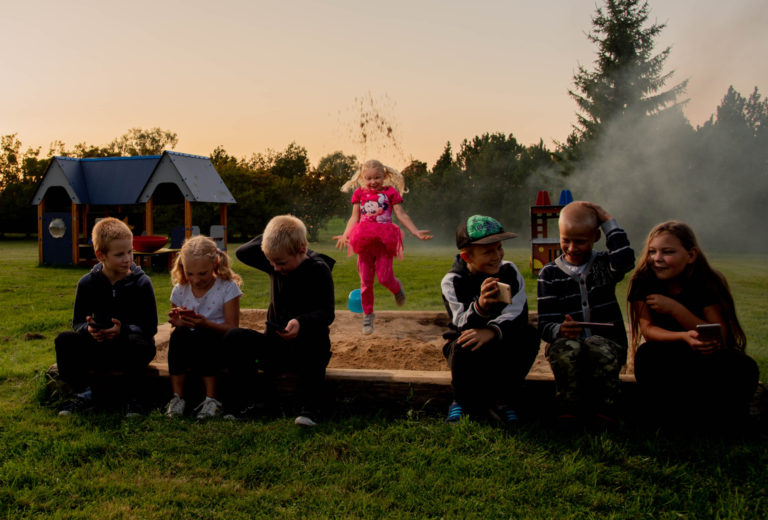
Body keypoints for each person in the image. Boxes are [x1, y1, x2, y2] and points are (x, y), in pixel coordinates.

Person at [627, 220, 758, 429]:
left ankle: (718, 419)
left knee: (743, 366)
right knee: (647, 355)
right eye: (652, 251)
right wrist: (682, 337)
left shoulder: (706, 281)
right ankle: (672, 417)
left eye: (667, 252)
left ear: (691, 255)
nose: (657, 258)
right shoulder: (643, 281)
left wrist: (675, 309)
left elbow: (720, 333)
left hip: (705, 356)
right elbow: (648, 330)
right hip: (667, 353)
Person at [224, 215, 335, 427]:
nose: (275, 268)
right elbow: (242, 252)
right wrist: (275, 234)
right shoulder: (276, 260)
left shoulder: (318, 269)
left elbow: (327, 313)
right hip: (275, 347)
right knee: (234, 337)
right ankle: (252, 401)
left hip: (306, 349)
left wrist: (301, 322)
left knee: (315, 349)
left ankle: (310, 409)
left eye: (281, 263)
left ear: (302, 250)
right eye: (271, 262)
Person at [537, 201, 634, 428]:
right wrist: (560, 329)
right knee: (566, 349)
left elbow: (625, 260)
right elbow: (544, 324)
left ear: (595, 237)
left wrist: (607, 219)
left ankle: (606, 409)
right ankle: (568, 409)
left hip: (608, 345)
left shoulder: (604, 265)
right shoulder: (549, 274)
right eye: (566, 240)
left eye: (580, 241)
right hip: (570, 346)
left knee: (597, 347)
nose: (571, 248)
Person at [440, 215, 539, 426]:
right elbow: (460, 321)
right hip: (468, 349)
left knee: (529, 334)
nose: (497, 256)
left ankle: (504, 399)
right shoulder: (453, 281)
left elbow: (517, 312)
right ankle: (462, 401)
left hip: (501, 341)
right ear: (467, 257)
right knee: (464, 341)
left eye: (499, 248)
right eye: (488, 252)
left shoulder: (509, 271)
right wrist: (481, 306)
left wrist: (492, 331)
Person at [55, 217, 157, 416]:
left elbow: (150, 327)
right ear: (100, 255)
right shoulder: (87, 283)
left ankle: (134, 398)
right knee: (64, 340)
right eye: (119, 254)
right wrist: (89, 330)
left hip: (128, 347)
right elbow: (77, 322)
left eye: (130, 252)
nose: (127, 259)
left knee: (139, 343)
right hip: (98, 347)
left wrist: (122, 330)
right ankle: (84, 393)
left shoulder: (141, 283)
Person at [335, 159, 432, 335]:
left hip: (383, 241)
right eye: (369, 178)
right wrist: (345, 234)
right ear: (362, 178)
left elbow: (401, 214)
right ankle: (368, 315)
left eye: (377, 178)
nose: (373, 182)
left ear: (384, 176)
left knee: (384, 277)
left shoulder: (390, 192)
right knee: (365, 281)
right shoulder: (359, 193)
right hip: (364, 241)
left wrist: (415, 231)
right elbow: (354, 217)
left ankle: (396, 288)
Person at [164, 235, 242, 419]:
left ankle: (211, 399)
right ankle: (177, 397)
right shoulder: (180, 290)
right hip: (189, 346)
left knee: (204, 335)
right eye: (190, 273)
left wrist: (205, 324)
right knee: (178, 335)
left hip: (217, 345)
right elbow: (176, 327)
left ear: (215, 264)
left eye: (202, 273)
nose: (196, 279)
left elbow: (233, 328)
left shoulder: (227, 287)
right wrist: (178, 322)